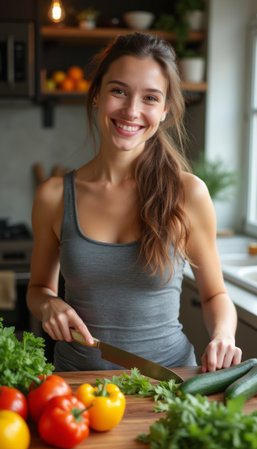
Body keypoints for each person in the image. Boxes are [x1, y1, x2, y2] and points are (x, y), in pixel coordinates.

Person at [26, 32, 242, 373]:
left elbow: (216, 295)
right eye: (119, 91)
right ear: (96, 94)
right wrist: (49, 304)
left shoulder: (188, 194)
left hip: (167, 383)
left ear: (165, 110)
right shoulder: (53, 196)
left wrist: (223, 336)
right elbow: (38, 288)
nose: (131, 110)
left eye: (150, 98)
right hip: (76, 388)